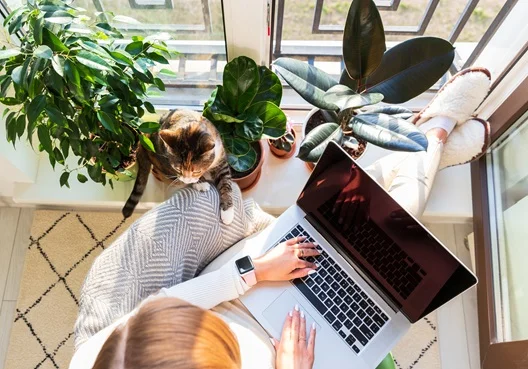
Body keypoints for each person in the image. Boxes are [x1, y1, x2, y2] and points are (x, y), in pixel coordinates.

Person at [70, 67, 491, 369]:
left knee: (349, 220)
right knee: (382, 239)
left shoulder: (101, 357)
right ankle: (431, 138)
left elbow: (164, 304)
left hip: (235, 294)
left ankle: (429, 140)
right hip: (291, 352)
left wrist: (252, 272)